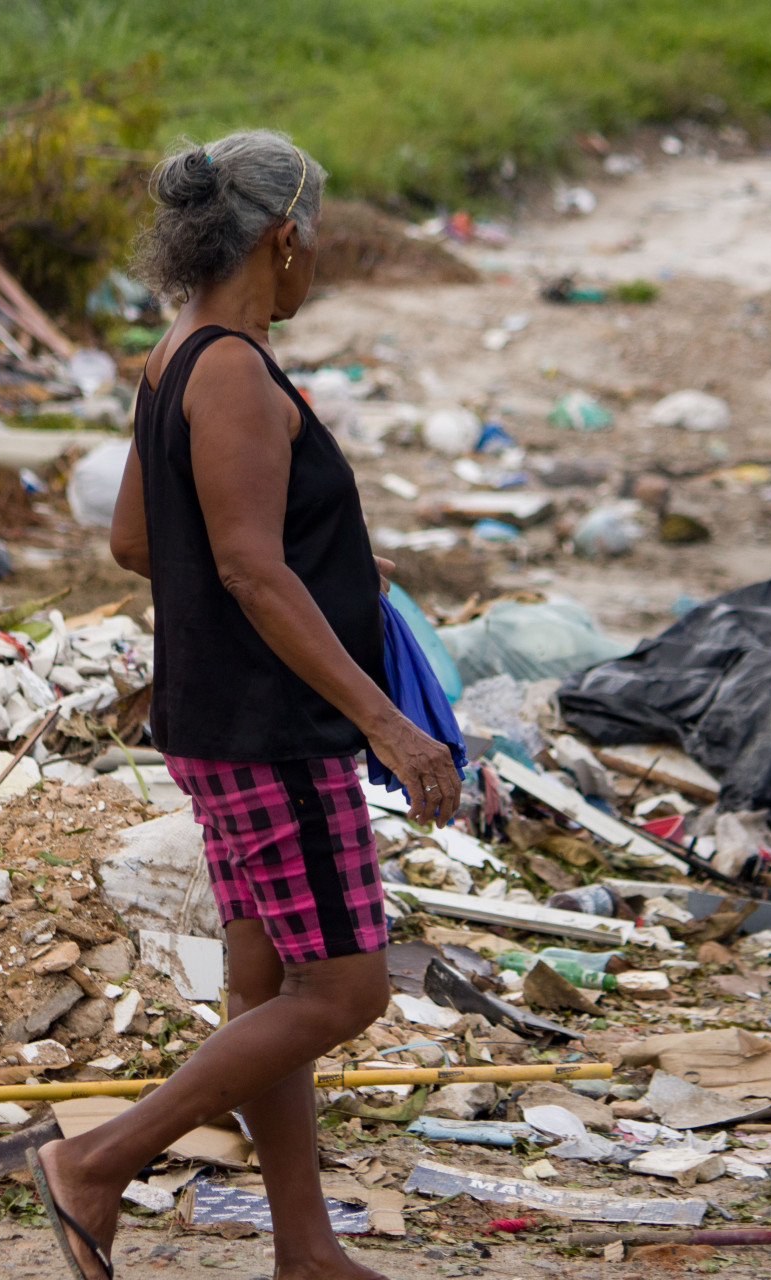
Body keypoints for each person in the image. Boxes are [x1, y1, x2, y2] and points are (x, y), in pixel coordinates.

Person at [27, 130, 463, 1280]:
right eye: (311, 243)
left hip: (216, 720)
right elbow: (252, 568)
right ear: (281, 238)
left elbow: (136, 536)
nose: (313, 264)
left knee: (268, 983)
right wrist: (389, 720)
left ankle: (306, 1247)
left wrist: (253, 585)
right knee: (346, 989)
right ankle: (96, 1164)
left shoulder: (174, 356)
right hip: (275, 731)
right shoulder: (231, 370)